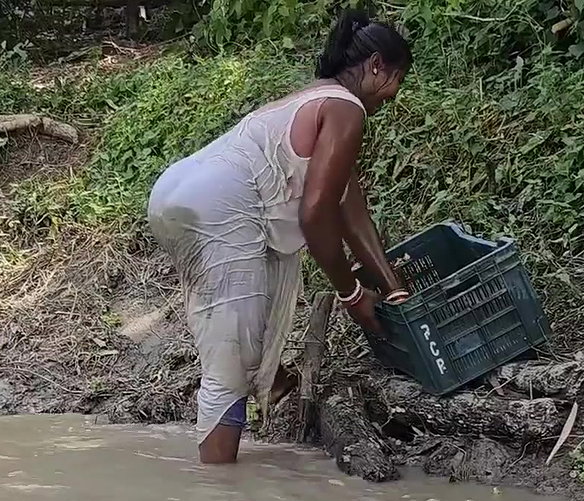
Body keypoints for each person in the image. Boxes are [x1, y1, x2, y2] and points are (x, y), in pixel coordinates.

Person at [146, 8, 413, 464]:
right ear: (376, 67)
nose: (393, 96)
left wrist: (393, 288)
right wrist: (351, 294)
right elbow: (316, 216)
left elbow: (350, 206)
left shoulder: (318, 98)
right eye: (396, 81)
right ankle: (218, 495)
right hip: (220, 206)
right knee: (229, 359)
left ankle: (273, 379)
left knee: (243, 333)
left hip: (180, 193)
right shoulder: (346, 110)